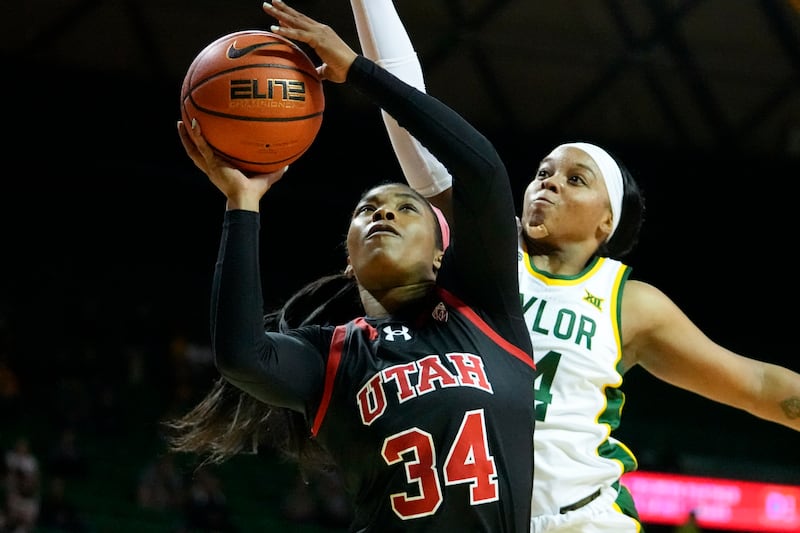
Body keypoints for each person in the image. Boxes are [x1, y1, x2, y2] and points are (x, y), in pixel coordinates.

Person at [346, 1, 800, 532]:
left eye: (574, 179)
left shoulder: (628, 302)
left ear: (606, 221)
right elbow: (412, 109)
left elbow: (758, 386)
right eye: (543, 172)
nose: (549, 183)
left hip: (585, 520)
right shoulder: (486, 252)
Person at [167, 1, 536, 531]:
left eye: (407, 208)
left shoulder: (483, 311)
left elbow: (482, 172)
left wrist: (360, 72)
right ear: (349, 258)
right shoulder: (334, 355)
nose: (384, 211)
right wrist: (241, 203)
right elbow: (242, 356)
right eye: (367, 211)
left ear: (441, 252)